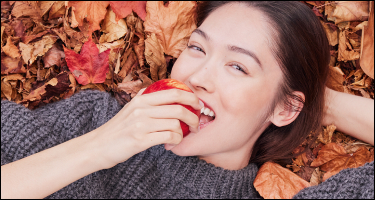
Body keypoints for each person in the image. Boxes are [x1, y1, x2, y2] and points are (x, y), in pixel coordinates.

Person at [1, 1, 374, 199]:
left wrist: (315, 106)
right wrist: (101, 146)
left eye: (238, 67)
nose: (196, 77)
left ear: (285, 107)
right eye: (197, 48)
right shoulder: (92, 121)